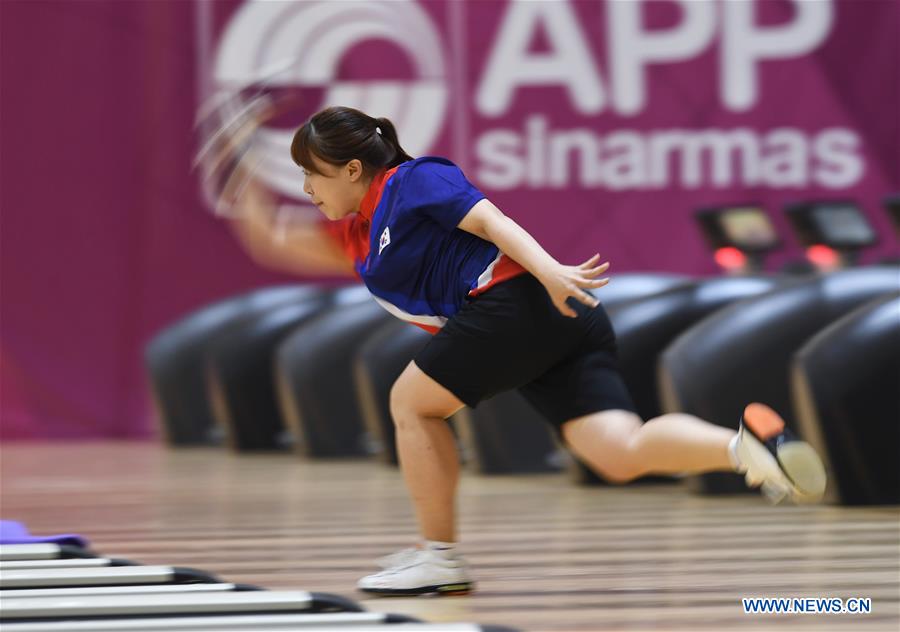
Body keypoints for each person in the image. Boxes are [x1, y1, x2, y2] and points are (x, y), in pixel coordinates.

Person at [222, 106, 827, 597]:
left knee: (411, 403)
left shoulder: (412, 180)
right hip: (548, 323)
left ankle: (440, 557)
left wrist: (550, 270)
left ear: (352, 168)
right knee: (618, 452)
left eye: (312, 174)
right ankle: (747, 448)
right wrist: (243, 159)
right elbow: (271, 239)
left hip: (521, 302)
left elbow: (490, 220)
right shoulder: (357, 230)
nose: (304, 189)